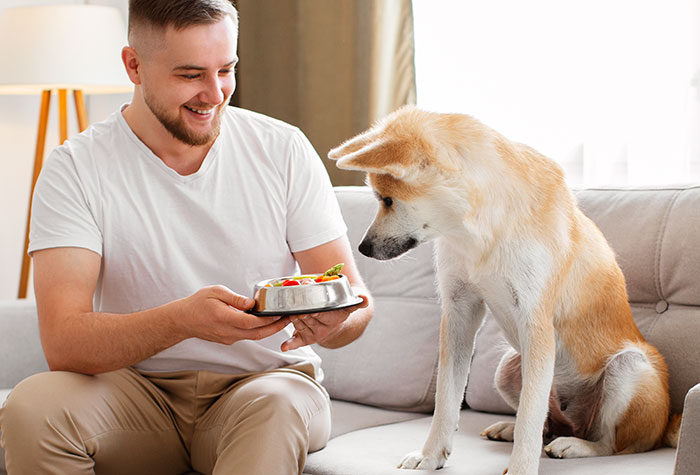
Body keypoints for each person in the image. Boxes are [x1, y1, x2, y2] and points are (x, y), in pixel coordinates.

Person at [0, 1, 373, 473]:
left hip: (264, 384)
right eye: (190, 74)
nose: (214, 94)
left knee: (276, 406)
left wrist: (336, 323)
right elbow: (64, 343)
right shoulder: (75, 168)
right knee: (32, 407)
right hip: (136, 395)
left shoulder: (283, 149)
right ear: (134, 66)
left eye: (227, 70)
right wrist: (183, 320)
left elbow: (355, 299)